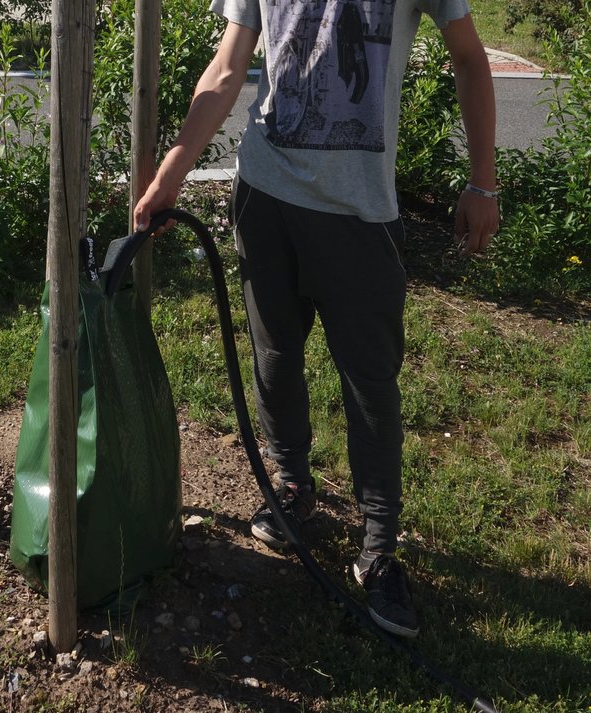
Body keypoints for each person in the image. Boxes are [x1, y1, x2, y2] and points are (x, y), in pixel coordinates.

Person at [133, 0, 500, 638]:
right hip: (267, 197)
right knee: (275, 356)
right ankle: (292, 485)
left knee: (371, 381)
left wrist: (483, 182)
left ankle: (380, 545)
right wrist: (174, 168)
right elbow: (227, 68)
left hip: (360, 217)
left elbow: (469, 58)